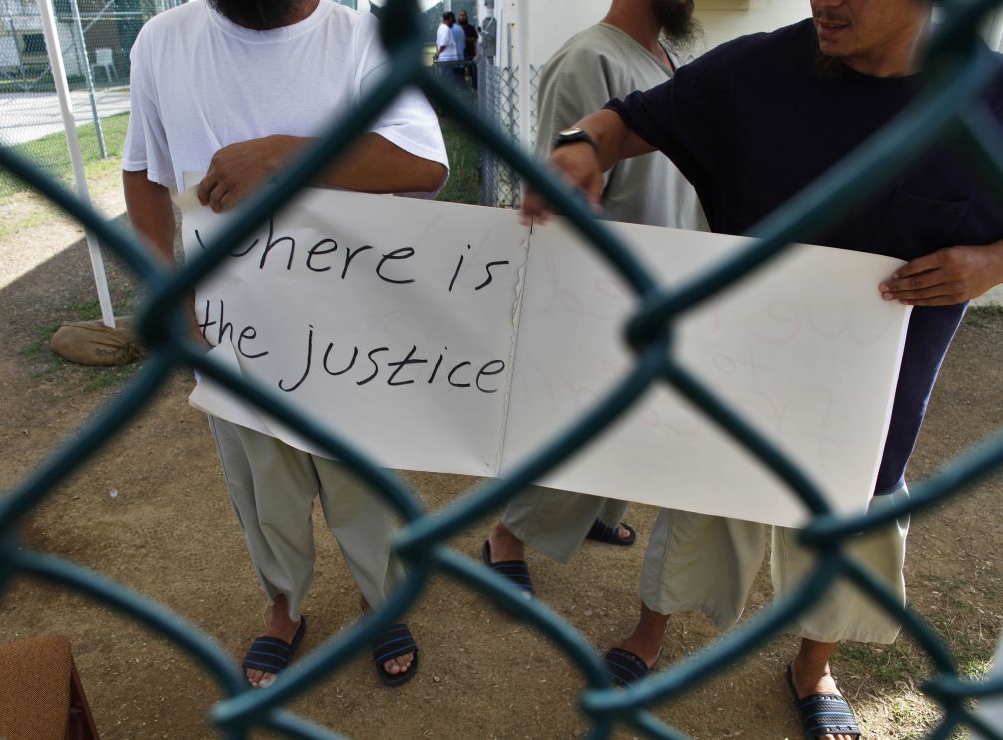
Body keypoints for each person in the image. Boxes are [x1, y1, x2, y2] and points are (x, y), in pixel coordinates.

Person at [522, 1, 1003, 738]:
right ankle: (649, 635)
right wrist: (582, 145)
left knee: (859, 525)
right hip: (742, 374)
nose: (825, 2)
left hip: (876, 406)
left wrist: (991, 263)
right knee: (697, 510)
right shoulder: (758, 69)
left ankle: (813, 667)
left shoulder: (988, 94)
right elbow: (625, 119)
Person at [122, 0, 448, 690]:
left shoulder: (361, 36)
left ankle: (379, 600)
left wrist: (285, 156)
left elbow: (424, 165)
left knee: (363, 486)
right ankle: (283, 605)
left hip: (351, 337)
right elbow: (145, 173)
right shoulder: (162, 42)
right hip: (231, 335)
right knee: (260, 492)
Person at [483, 0, 703, 596]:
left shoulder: (666, 56)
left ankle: (594, 514)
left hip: (672, 277)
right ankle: (508, 535)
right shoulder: (589, 58)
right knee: (586, 418)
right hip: (612, 287)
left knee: (638, 417)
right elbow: (561, 187)